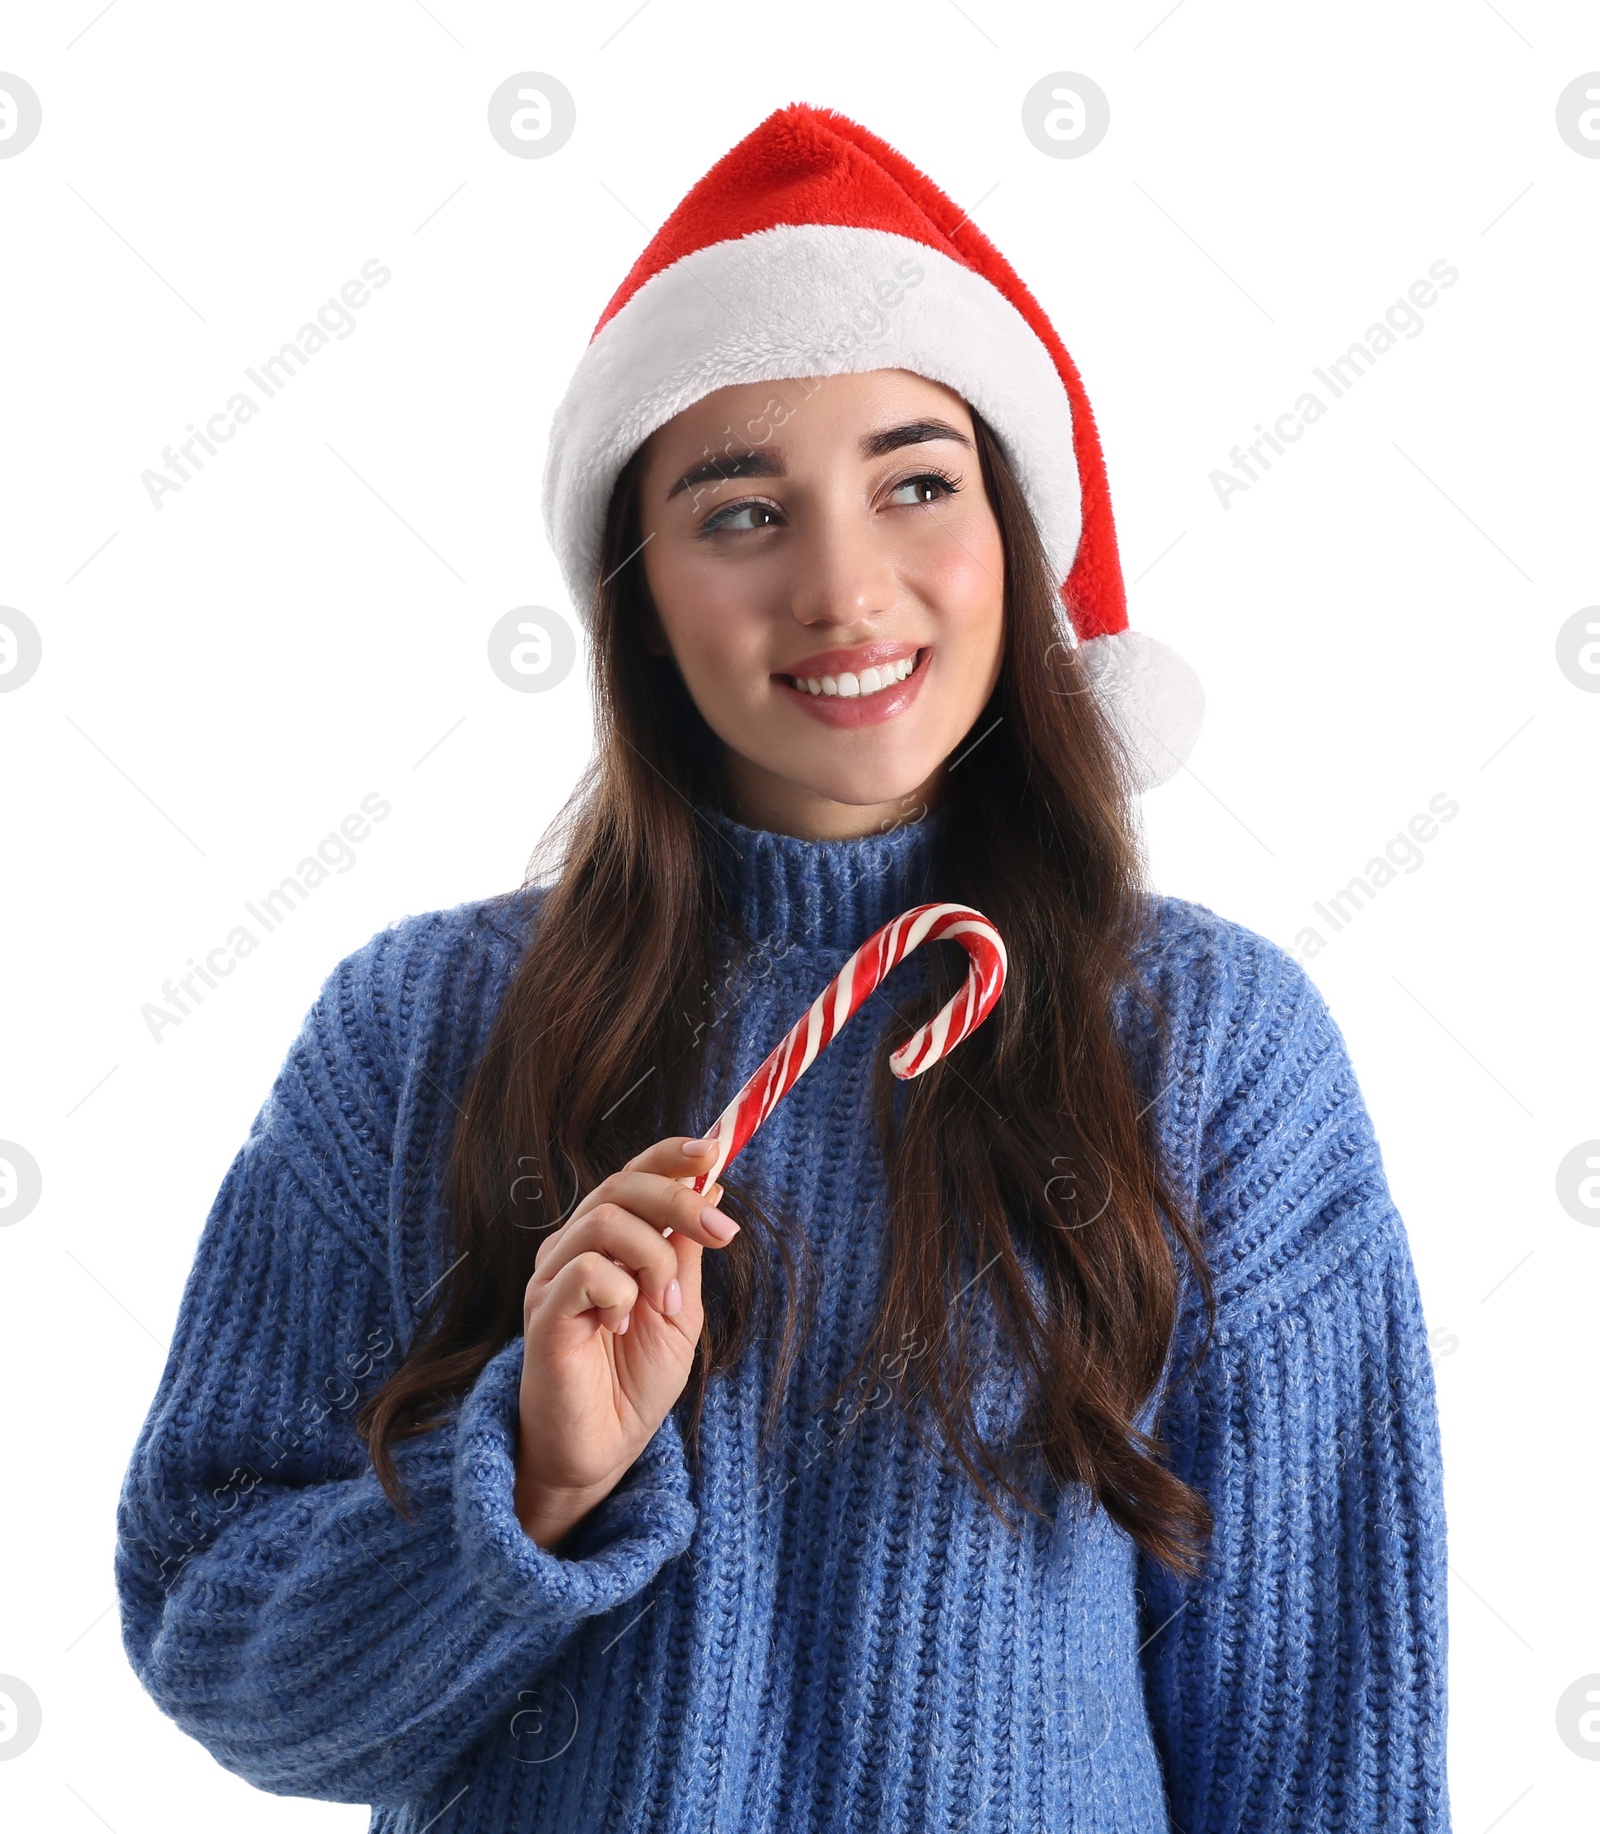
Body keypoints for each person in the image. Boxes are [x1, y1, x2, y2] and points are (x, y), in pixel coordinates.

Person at [115, 103, 1450, 1832]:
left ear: (1014, 528)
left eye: (916, 481)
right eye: (739, 510)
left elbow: (1323, 1750)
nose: (843, 585)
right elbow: (217, 1637)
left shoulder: (1209, 1049)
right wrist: (534, 1478)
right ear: (639, 589)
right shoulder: (421, 1030)